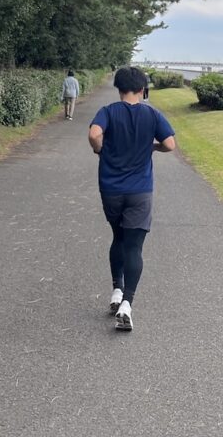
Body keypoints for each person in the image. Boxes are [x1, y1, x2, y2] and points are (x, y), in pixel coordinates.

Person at [88, 66, 176, 331]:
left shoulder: (108, 112)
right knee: (134, 247)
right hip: (140, 190)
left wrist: (100, 150)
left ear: (119, 88)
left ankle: (116, 288)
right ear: (142, 89)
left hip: (111, 188)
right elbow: (170, 144)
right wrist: (153, 146)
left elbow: (94, 134)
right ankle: (127, 302)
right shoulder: (152, 114)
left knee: (118, 237)